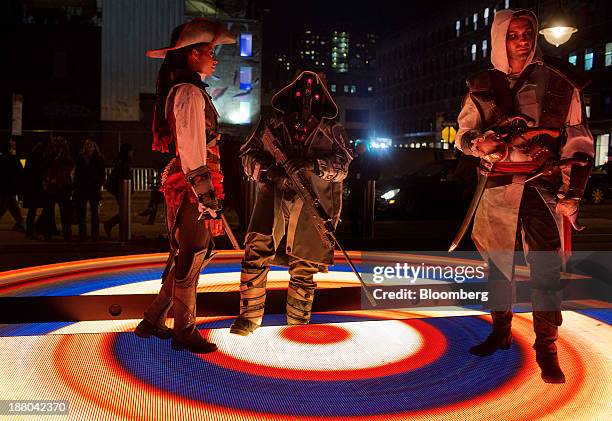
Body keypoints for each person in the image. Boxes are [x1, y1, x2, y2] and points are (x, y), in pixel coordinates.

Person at [455, 9, 594, 383]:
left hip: (541, 188)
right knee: (497, 268)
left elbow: (578, 139)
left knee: (546, 271)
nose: (522, 40)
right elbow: (463, 134)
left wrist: (573, 192)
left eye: (527, 32)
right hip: (497, 185)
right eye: (513, 34)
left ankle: (546, 348)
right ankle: (500, 333)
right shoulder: (481, 83)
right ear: (501, 38)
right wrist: (479, 143)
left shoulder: (560, 81)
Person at [134, 18, 236, 354]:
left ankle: (152, 320)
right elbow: (194, 153)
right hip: (193, 187)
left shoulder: (186, 90)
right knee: (192, 257)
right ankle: (184, 332)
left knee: (187, 256)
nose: (214, 58)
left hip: (190, 185)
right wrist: (209, 204)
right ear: (192, 55)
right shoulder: (189, 93)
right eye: (209, 51)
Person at [229, 71, 352, 336]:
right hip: (274, 194)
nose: (306, 102)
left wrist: (312, 165)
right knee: (256, 251)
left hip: (311, 202)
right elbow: (248, 153)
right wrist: (270, 171)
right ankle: (249, 317)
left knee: (305, 263)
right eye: (301, 94)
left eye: (312, 96)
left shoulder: (332, 131)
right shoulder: (272, 124)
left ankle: (297, 323)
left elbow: (343, 167)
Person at [39, 136, 74, 241]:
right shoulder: (63, 155)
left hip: (57, 185)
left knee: (51, 211)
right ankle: (65, 234)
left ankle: (49, 233)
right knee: (62, 211)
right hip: (61, 186)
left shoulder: (52, 154)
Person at [73, 139, 105, 241]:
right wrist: (76, 185)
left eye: (90, 145)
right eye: (86, 144)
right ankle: (82, 235)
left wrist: (98, 184)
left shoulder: (99, 158)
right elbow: (77, 173)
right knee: (81, 213)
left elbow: (102, 174)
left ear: (94, 147)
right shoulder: (80, 158)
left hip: (93, 188)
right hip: (82, 188)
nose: (88, 146)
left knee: (94, 213)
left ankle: (94, 235)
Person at [347, 141, 380, 239]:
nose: (358, 148)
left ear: (366, 147)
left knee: (363, 213)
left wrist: (361, 176)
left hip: (365, 191)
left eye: (360, 147)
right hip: (355, 190)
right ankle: (356, 235)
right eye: (357, 147)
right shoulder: (355, 159)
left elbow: (376, 174)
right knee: (354, 214)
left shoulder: (371, 159)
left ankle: (363, 236)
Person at [103, 142, 133, 238]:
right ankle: (110, 224)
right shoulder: (124, 162)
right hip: (122, 190)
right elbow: (124, 176)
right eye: (131, 151)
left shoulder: (120, 161)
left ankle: (119, 229)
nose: (132, 153)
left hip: (120, 189)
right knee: (125, 212)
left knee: (124, 211)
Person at [22, 141, 46, 239]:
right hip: (35, 188)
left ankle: (29, 231)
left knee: (31, 211)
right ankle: (30, 231)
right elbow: (39, 172)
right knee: (32, 211)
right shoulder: (38, 159)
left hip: (30, 188)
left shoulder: (30, 158)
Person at [0, 139, 25, 231]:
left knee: (6, 204)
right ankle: (21, 222)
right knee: (9, 204)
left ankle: (21, 222)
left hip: (4, 185)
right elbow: (19, 170)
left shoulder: (2, 158)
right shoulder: (13, 158)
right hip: (10, 185)